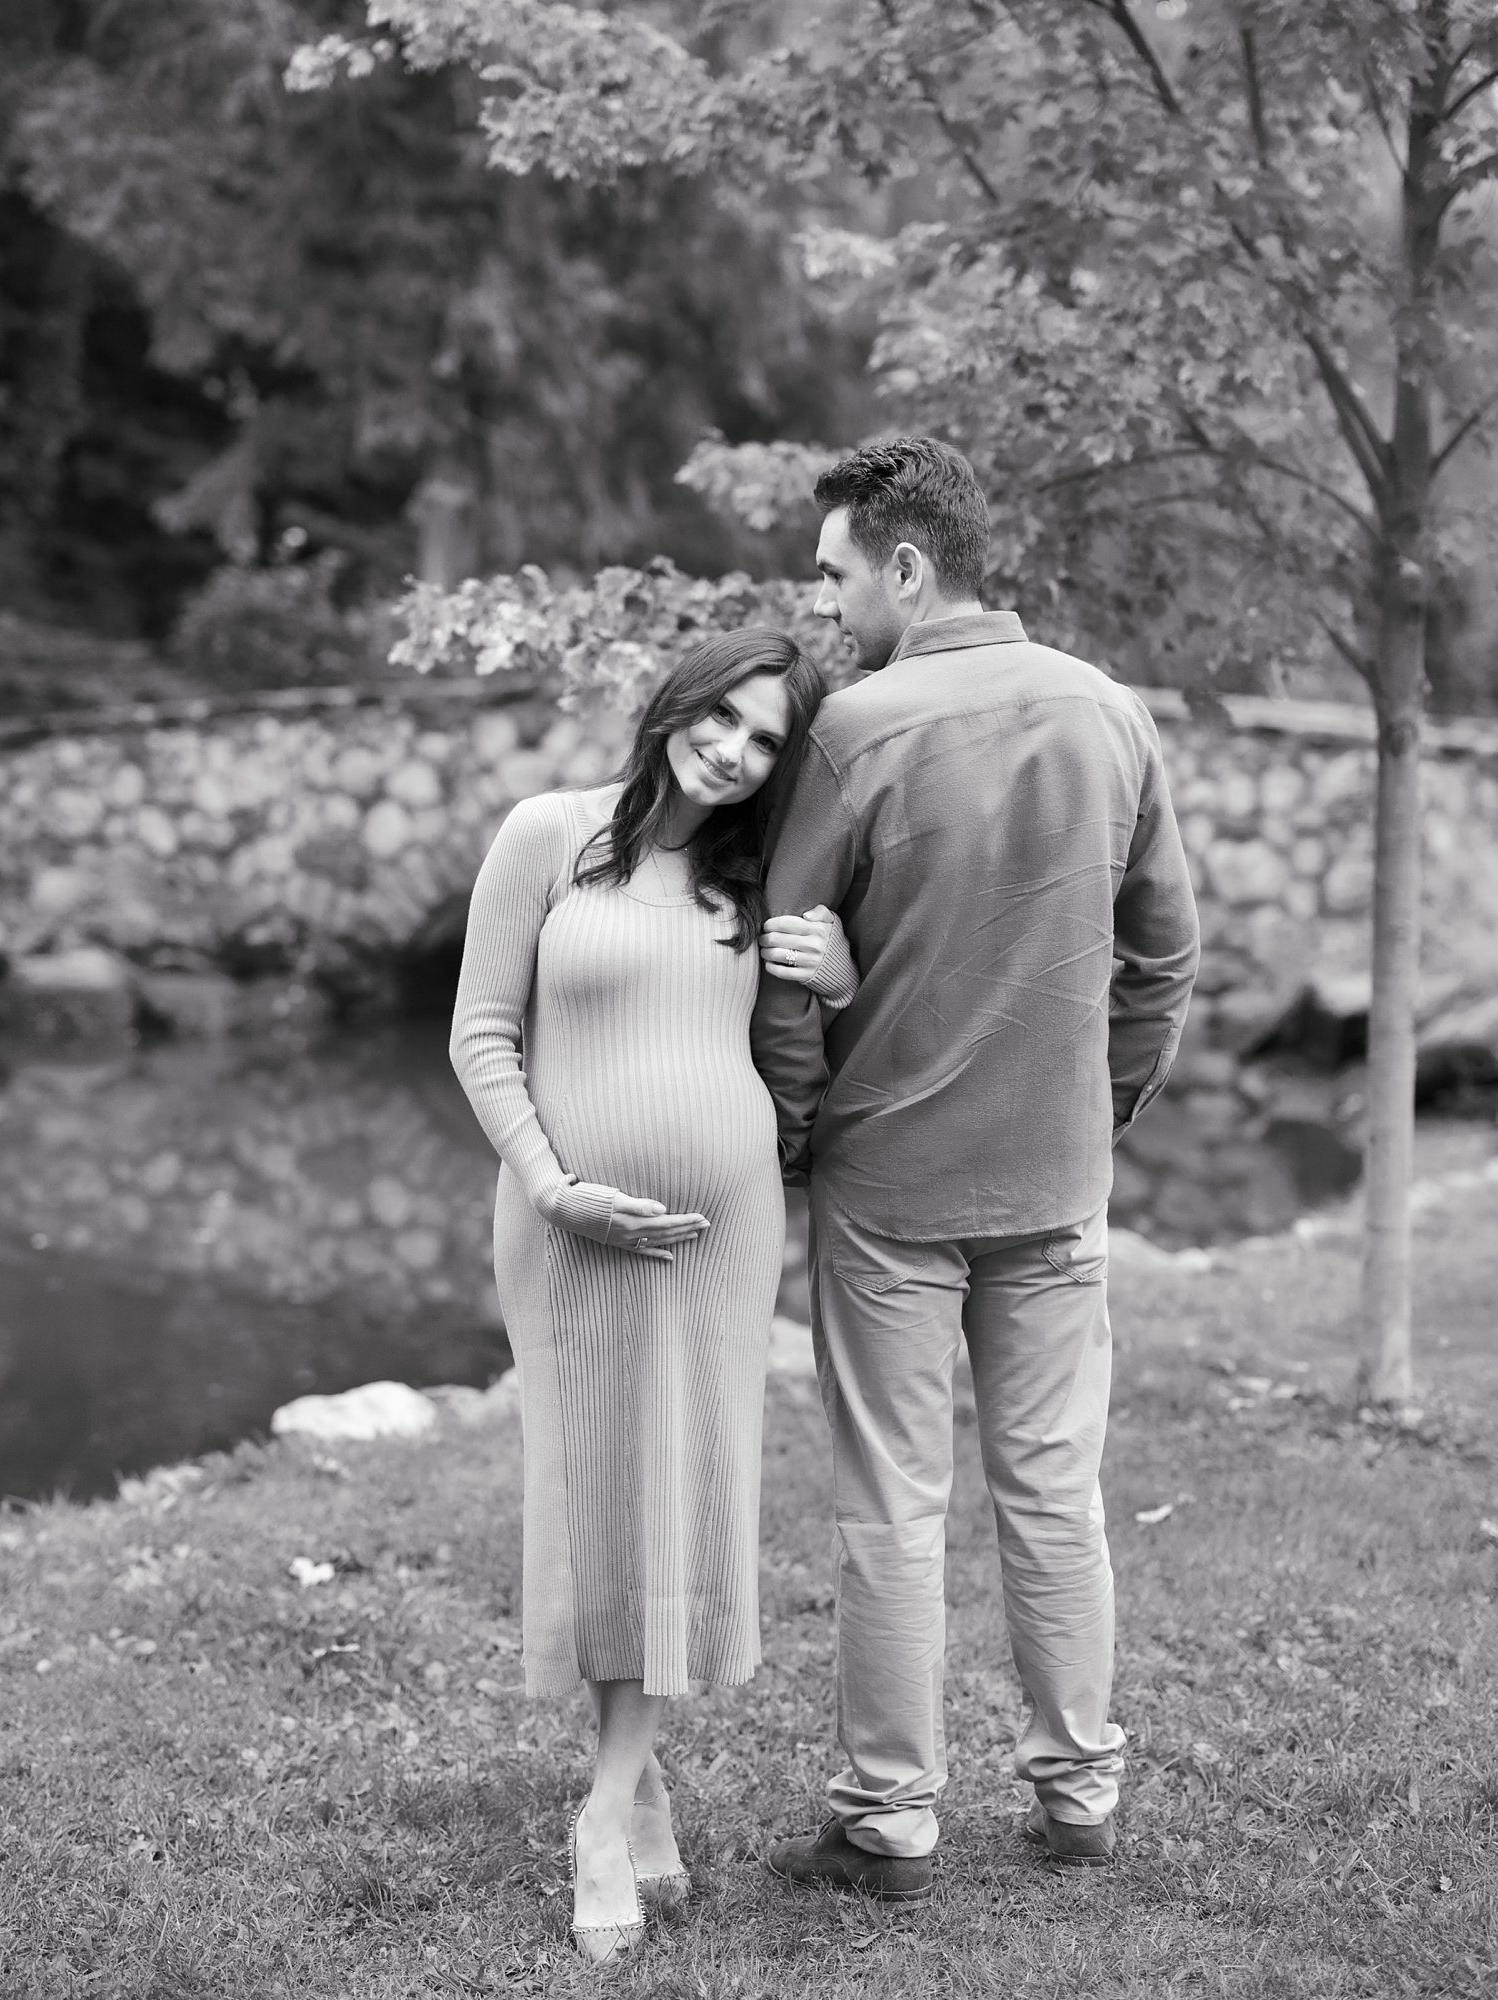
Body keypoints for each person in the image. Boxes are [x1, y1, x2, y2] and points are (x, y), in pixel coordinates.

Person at [750, 436, 1201, 1898]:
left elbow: (786, 967)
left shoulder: (853, 729)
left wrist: (802, 1129)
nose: (827, 610)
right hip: (1055, 1186)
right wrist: (1102, 1107)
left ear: (906, 565)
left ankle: (890, 1821)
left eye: (834, 579)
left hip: (889, 1186)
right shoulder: (1109, 711)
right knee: (1054, 1491)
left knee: (892, 1500)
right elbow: (1167, 951)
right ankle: (1080, 1795)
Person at [449, 629, 855, 1965]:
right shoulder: (550, 836)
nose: (733, 753)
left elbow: (814, 1049)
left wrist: (840, 984)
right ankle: (626, 1796)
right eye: (720, 721)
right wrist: (554, 1182)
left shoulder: (753, 878)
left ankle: (613, 1802)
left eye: (762, 743)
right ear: (677, 704)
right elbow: (483, 1035)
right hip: (566, 1228)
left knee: (677, 1503)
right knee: (597, 1502)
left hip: (720, 1233)